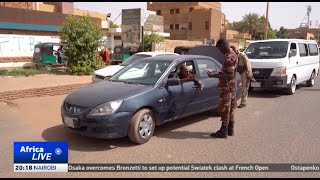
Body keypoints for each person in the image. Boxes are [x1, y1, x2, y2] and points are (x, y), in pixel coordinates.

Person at [207, 38, 238, 138]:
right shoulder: (233, 54)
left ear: (223, 46)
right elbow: (228, 73)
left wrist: (214, 76)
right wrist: (217, 73)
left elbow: (228, 75)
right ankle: (230, 129)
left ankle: (223, 130)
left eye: (220, 49)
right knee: (231, 108)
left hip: (227, 87)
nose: (219, 51)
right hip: (231, 86)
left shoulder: (229, 58)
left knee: (225, 108)